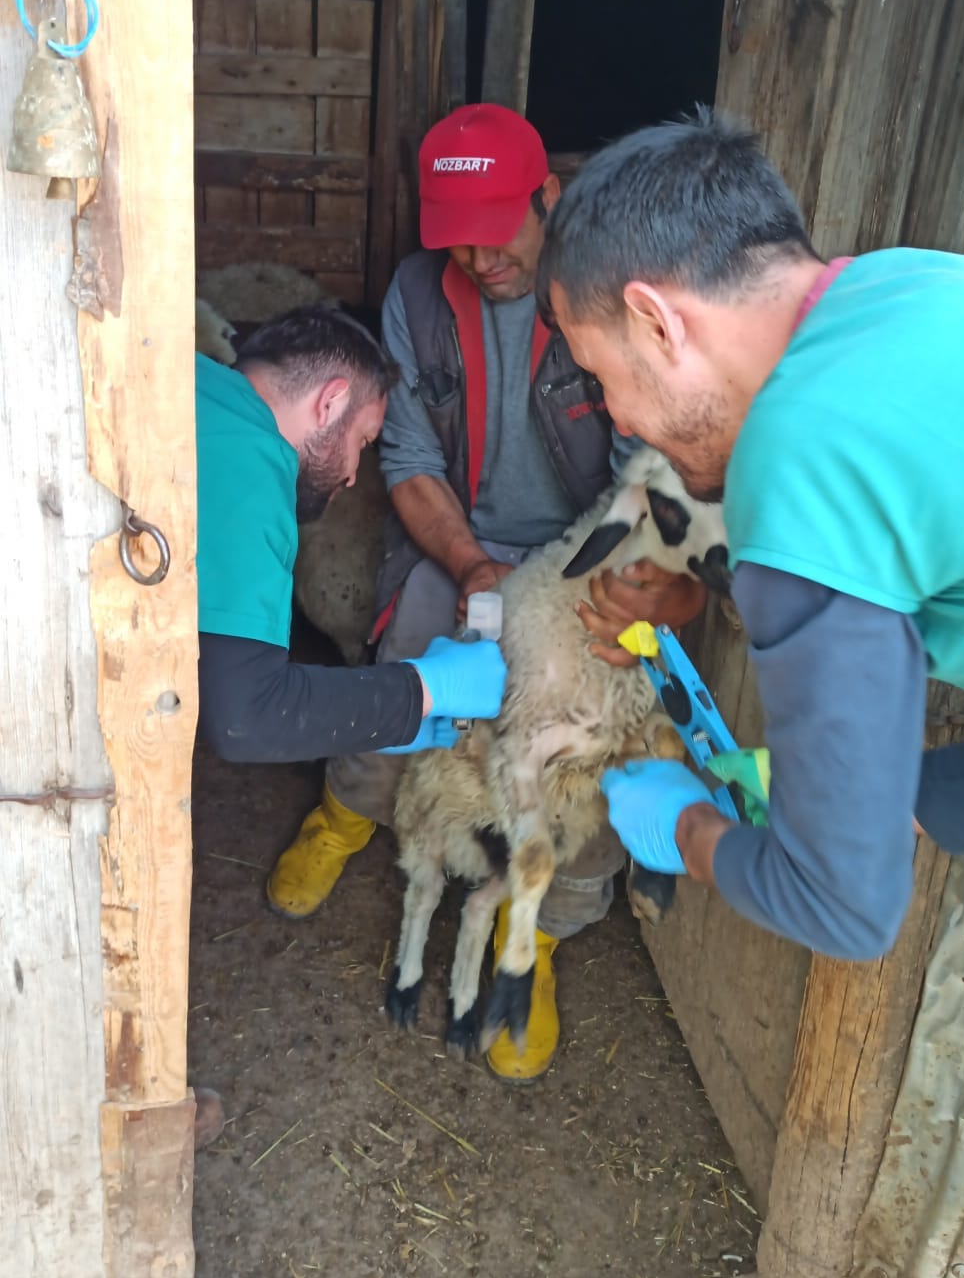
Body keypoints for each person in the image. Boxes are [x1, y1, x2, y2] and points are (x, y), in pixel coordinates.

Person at [537, 107, 964, 1278]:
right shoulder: (922, 296)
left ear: (663, 321)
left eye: (603, 378)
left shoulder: (800, 457)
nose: (617, 420)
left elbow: (849, 908)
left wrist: (697, 837)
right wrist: (903, 794)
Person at [267, 103, 705, 1081]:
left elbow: (649, 478)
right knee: (411, 665)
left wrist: (568, 587)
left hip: (587, 553)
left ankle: (542, 924)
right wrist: (470, 569)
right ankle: (350, 812)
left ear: (546, 196)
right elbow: (411, 463)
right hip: (460, 539)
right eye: (453, 233)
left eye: (497, 225)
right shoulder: (417, 298)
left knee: (591, 720)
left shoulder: (610, 294)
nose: (477, 252)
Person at [195, 306, 506, 780]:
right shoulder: (256, 466)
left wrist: (392, 723)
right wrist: (427, 688)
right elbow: (245, 716)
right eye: (364, 440)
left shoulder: (193, 384)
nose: (354, 474)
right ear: (331, 402)